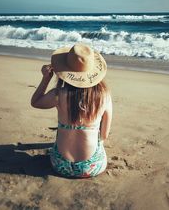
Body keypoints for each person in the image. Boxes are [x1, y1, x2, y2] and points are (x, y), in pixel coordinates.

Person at [31, 44, 112, 178]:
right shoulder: (104, 96)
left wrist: (46, 78)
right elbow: (104, 135)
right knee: (98, 139)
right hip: (92, 167)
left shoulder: (58, 95)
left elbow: (36, 102)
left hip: (60, 165)